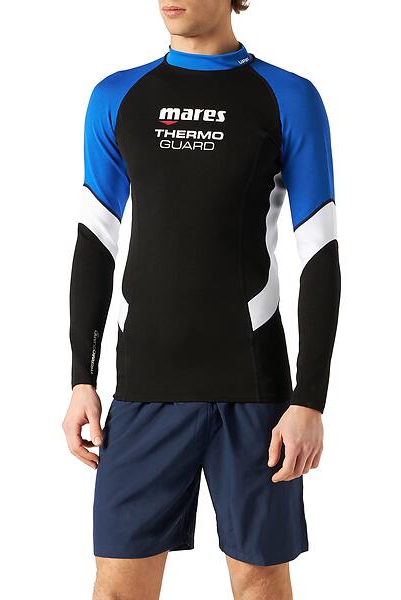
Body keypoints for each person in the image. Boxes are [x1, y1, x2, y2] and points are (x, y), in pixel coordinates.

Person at [62, 0, 341, 598]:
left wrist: (309, 400)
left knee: (260, 583)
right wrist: (82, 378)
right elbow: (95, 242)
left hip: (254, 389)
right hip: (144, 386)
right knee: (117, 588)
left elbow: (320, 253)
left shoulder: (288, 97)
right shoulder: (118, 97)